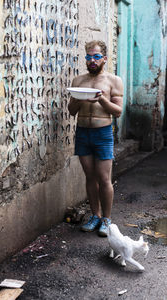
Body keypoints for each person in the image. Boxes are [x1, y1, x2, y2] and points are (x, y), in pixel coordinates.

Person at [68, 40, 123, 236]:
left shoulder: (113, 81)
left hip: (103, 133)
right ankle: (95, 216)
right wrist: (76, 98)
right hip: (83, 132)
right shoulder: (78, 81)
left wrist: (101, 99)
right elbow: (71, 110)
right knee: (90, 177)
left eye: (96, 56)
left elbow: (117, 111)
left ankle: (107, 220)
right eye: (89, 56)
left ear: (104, 59)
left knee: (104, 177)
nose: (92, 60)